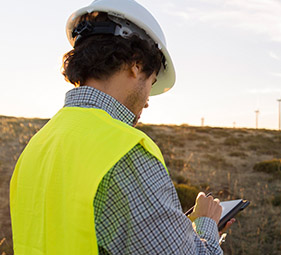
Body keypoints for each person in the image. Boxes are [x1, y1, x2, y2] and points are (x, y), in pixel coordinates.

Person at [10, 0, 231, 254]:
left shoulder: (38, 145)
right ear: (137, 64)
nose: (148, 101)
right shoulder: (125, 153)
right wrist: (206, 224)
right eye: (152, 81)